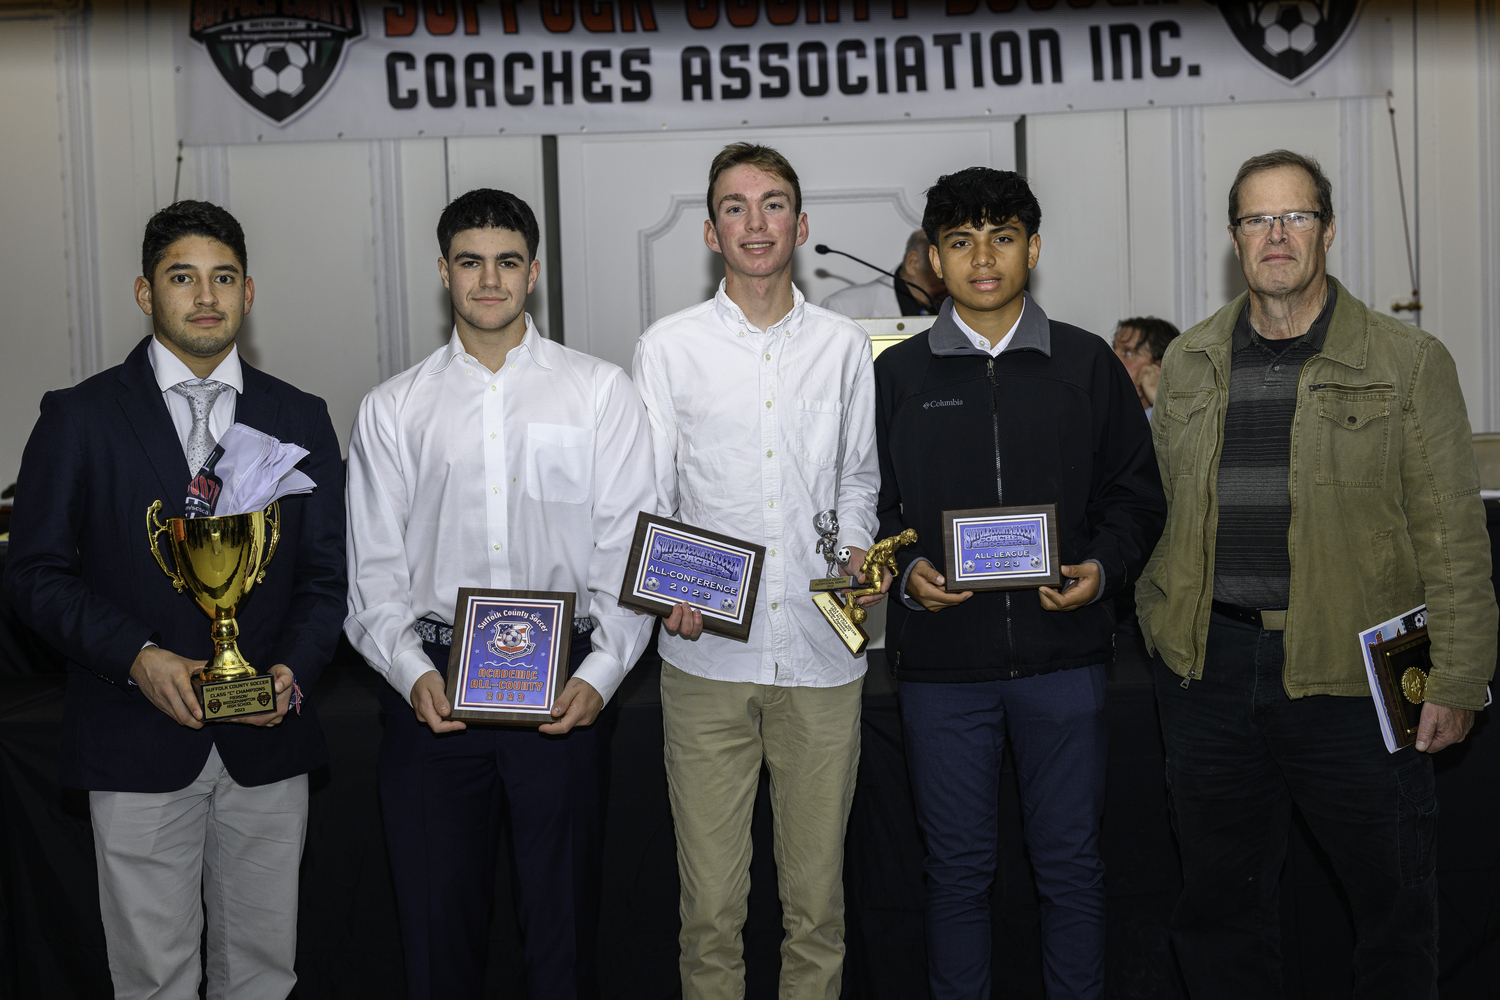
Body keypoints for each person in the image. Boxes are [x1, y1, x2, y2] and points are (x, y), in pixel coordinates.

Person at [1137, 149, 1497, 998]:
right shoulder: (1189, 362)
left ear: (1327, 231)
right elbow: (1154, 512)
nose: (1277, 235)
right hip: (1211, 678)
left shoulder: (1408, 362)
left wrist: (1461, 677)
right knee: (1219, 911)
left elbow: (1452, 533)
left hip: (1356, 677)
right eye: (1258, 220)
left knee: (1392, 908)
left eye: (1294, 216)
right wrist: (1158, 620)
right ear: (1235, 239)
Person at [3, 200, 346, 999]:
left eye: (223, 278)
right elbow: (34, 573)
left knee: (263, 975)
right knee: (152, 980)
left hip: (268, 740)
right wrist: (138, 656)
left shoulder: (300, 416)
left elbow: (327, 577)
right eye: (181, 277)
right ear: (143, 292)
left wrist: (292, 669)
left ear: (249, 293)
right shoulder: (79, 417)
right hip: (134, 735)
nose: (204, 296)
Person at [344, 188, 656, 999]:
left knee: (562, 936)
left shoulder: (600, 392)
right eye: (471, 262)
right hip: (433, 687)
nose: (490, 280)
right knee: (437, 938)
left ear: (535, 272)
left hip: (567, 681)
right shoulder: (393, 408)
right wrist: (411, 672)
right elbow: (372, 576)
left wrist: (603, 675)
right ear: (443, 272)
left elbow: (627, 552)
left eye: (507, 262)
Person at [873, 166, 1165, 1000]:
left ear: (1033, 248)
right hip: (942, 675)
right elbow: (873, 509)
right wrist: (906, 574)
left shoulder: (1084, 364)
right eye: (961, 241)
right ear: (934, 258)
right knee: (957, 875)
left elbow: (1136, 498)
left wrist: (1103, 569)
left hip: (1065, 662)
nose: (984, 258)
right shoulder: (898, 376)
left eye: (1003, 237)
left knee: (1072, 870)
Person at [632, 142, 882, 1000]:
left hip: (821, 655)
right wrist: (668, 591)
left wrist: (855, 551)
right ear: (711, 231)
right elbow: (652, 494)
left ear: (801, 225)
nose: (756, 221)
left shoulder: (848, 345)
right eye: (735, 207)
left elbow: (858, 478)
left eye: (773, 203)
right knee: (711, 913)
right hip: (706, 661)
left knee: (817, 908)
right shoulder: (668, 349)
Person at [820, 228, 948, 317]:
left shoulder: (959, 304)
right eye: (942, 276)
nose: (950, 286)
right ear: (913, 263)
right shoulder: (843, 308)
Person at [1111, 315, 1180, 416]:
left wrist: (1160, 401)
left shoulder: (1180, 423)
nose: (1112, 359)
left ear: (1160, 368)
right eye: (1113, 350)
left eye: (1127, 353)